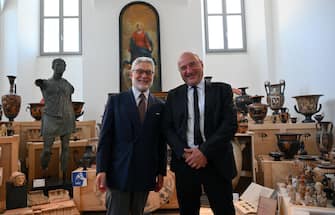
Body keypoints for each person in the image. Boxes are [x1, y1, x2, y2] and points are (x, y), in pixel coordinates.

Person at [163, 51, 237, 215]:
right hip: (186, 163)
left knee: (224, 210)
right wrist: (185, 153)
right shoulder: (173, 96)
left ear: (201, 65)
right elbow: (167, 129)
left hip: (216, 160)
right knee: (188, 211)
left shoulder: (222, 90)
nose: (188, 71)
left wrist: (204, 152)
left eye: (192, 64)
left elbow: (229, 125)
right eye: (183, 68)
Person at [96, 56, 166, 215]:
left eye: (149, 72)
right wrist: (101, 169)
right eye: (140, 71)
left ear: (153, 76)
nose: (144, 76)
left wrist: (161, 172)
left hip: (145, 172)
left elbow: (160, 142)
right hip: (119, 172)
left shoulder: (160, 106)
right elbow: (105, 138)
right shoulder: (116, 101)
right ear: (131, 74)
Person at [35, 58, 76, 179]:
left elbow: (70, 95)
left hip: (67, 117)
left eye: (63, 65)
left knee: (66, 148)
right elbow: (38, 82)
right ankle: (43, 170)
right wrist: (40, 82)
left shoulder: (67, 84)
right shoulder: (46, 83)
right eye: (58, 65)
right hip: (50, 118)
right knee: (47, 149)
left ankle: (64, 176)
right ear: (53, 67)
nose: (61, 67)